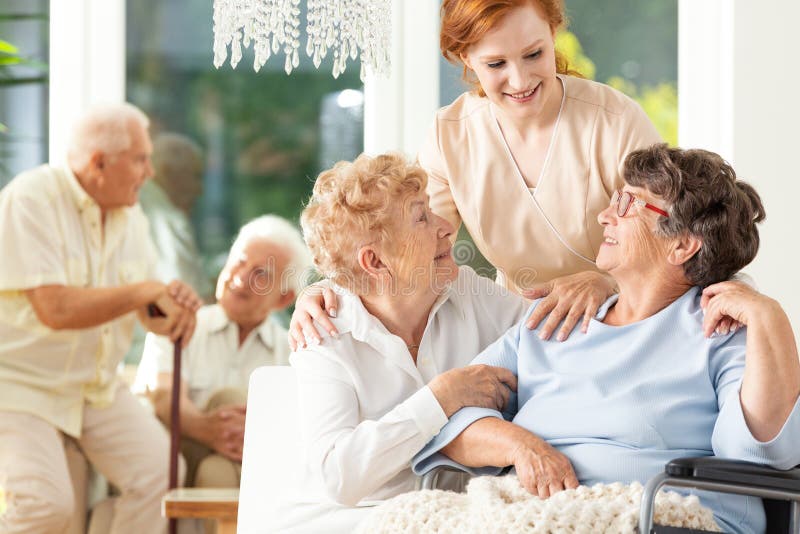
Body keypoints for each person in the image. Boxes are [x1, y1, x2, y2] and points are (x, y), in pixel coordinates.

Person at [412, 144, 800, 534]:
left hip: (664, 518)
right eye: (616, 199)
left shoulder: (720, 329)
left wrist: (771, 318)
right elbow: (450, 420)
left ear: (682, 245)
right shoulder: (556, 318)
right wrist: (521, 447)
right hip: (537, 514)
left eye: (629, 204)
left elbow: (757, 453)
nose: (604, 215)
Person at [288, 0, 666, 349]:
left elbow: (677, 243)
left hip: (629, 323)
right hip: (525, 331)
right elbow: (406, 246)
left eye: (534, 54)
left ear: (554, 34)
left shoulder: (615, 121)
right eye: (496, 64)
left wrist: (607, 282)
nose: (520, 81)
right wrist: (329, 290)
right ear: (466, 58)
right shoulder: (451, 134)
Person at [279, 153, 532, 532]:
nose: (447, 227)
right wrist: (441, 398)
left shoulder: (470, 293)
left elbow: (554, 334)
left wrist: (593, 287)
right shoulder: (323, 335)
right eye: (422, 217)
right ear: (375, 263)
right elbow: (338, 475)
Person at [0, 102, 202, 534]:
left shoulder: (133, 218)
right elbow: (54, 309)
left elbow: (147, 312)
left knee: (161, 474)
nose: (150, 172)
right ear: (99, 162)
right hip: (19, 386)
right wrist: (142, 291)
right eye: (141, 159)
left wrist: (171, 310)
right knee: (44, 506)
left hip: (96, 388)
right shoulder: (32, 197)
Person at [135, 215, 312, 491]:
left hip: (245, 474)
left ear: (283, 298)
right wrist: (206, 429)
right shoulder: (178, 325)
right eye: (239, 261)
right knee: (227, 400)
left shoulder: (294, 353)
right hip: (175, 462)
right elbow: (162, 397)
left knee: (216, 472)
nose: (240, 278)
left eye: (260, 274)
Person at [139, 132, 213, 301]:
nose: (199, 190)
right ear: (167, 172)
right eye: (196, 176)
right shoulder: (169, 219)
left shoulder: (139, 202)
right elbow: (194, 298)